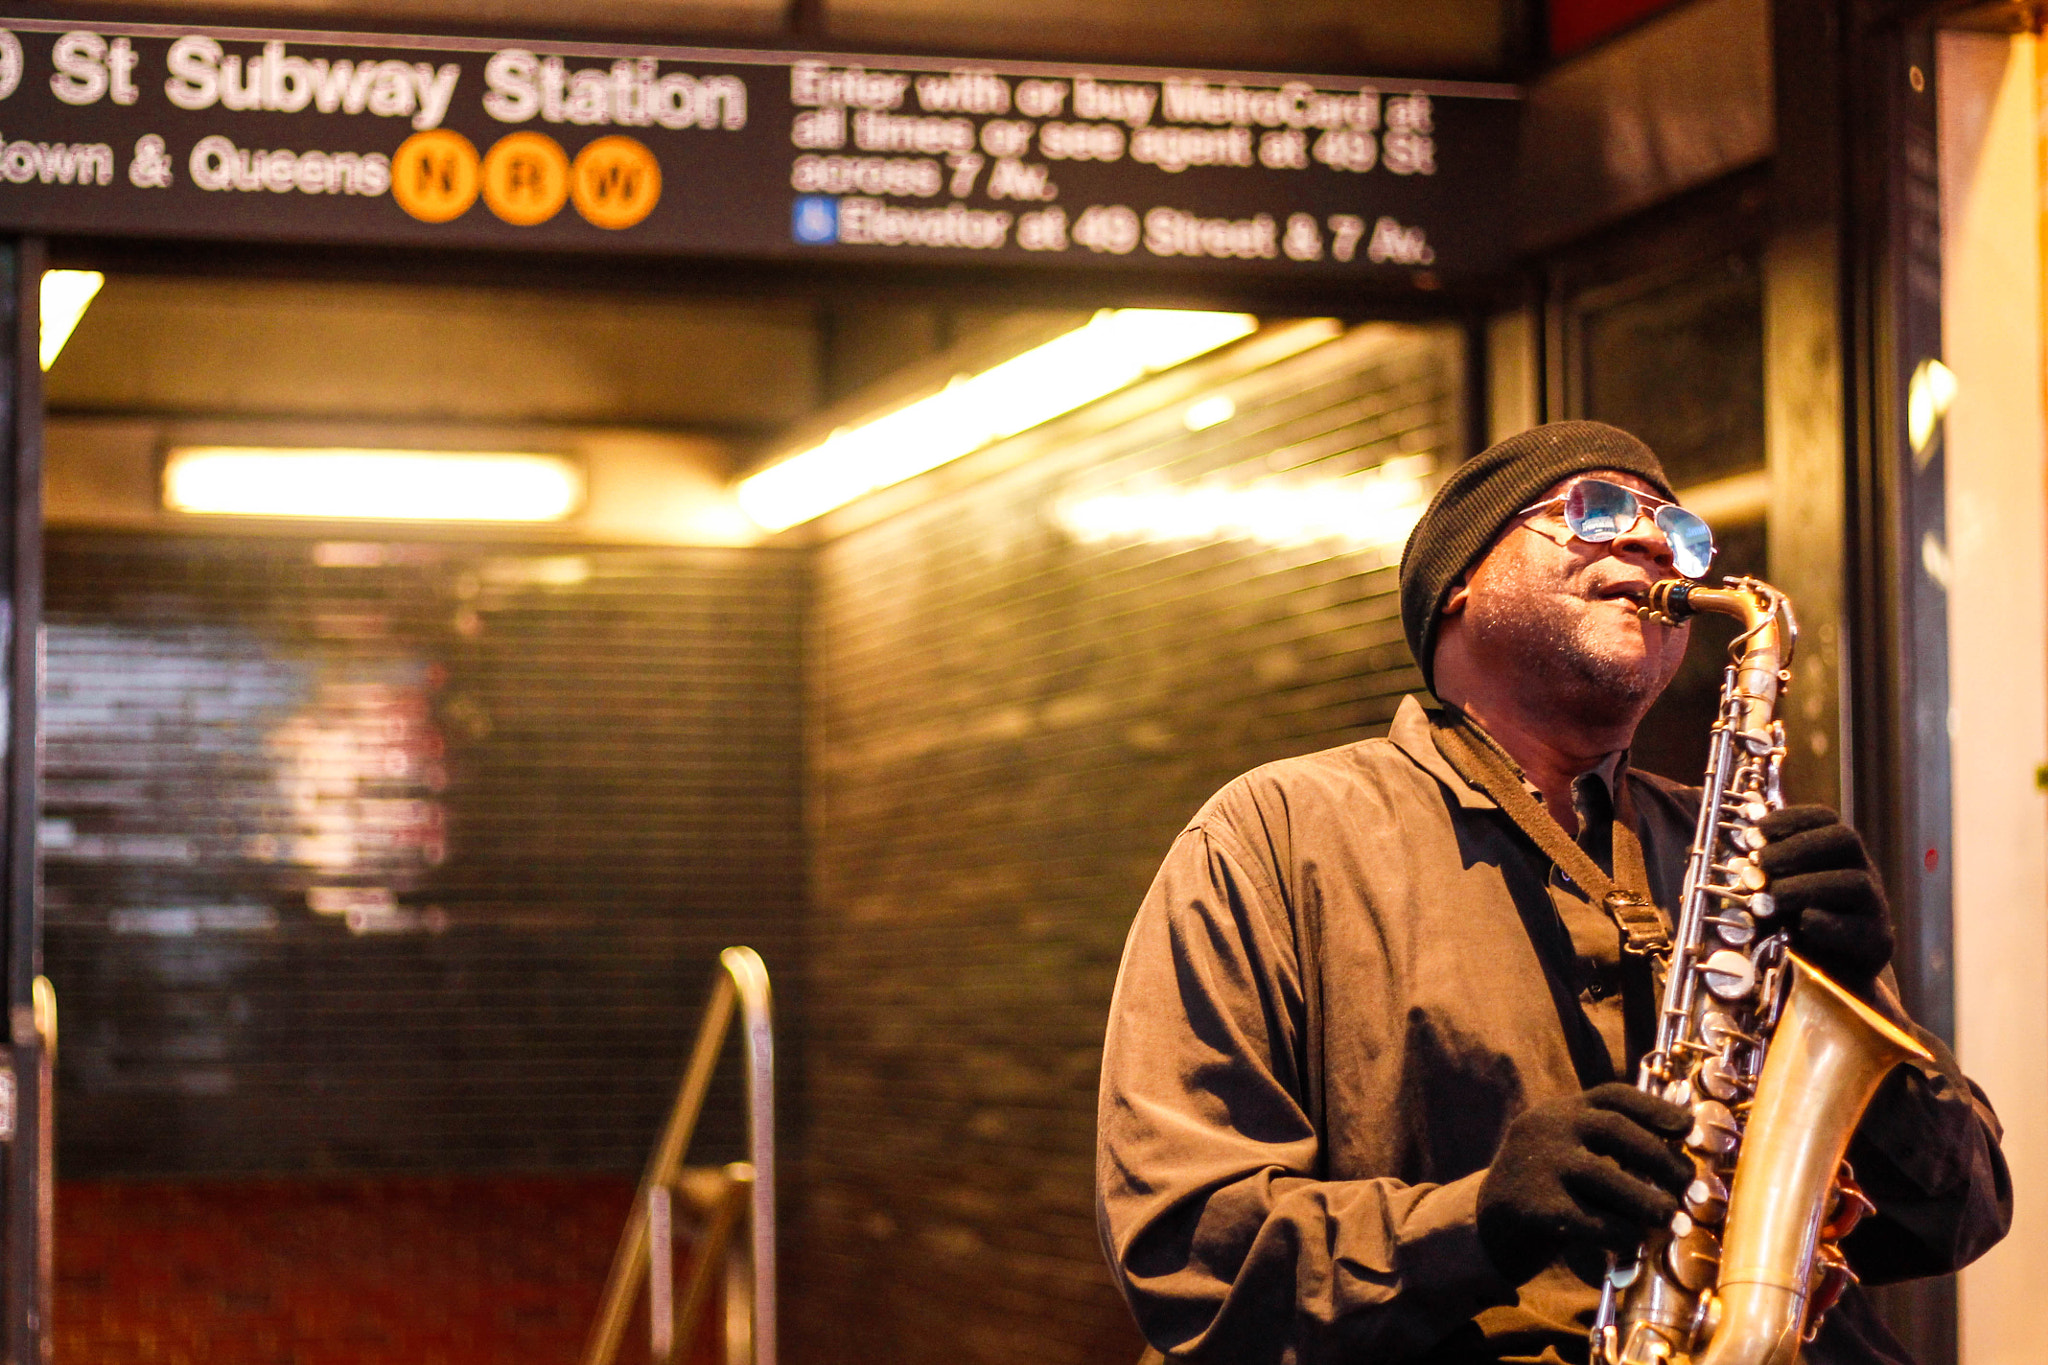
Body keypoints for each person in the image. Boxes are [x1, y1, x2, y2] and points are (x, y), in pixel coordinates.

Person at [1094, 421, 2010, 1365]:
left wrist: (1857, 993)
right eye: (1599, 510)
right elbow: (1183, 1251)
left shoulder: (1737, 851)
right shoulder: (1274, 835)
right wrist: (1476, 1220)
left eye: (1681, 531)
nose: (1657, 543)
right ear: (1457, 579)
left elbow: (1961, 1214)